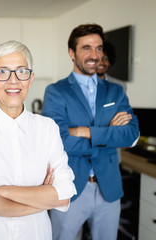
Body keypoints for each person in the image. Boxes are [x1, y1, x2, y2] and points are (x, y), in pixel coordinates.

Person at [0, 40, 76, 240]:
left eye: (21, 71)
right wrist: (42, 197)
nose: (13, 80)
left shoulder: (47, 128)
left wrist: (0, 191)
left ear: (31, 78)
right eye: (2, 72)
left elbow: (64, 194)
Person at [42, 24, 139, 240]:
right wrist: (108, 135)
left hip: (109, 188)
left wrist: (85, 131)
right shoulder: (56, 92)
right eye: (86, 48)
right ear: (72, 53)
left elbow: (131, 134)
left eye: (98, 48)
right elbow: (59, 141)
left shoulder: (115, 91)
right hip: (71, 186)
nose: (94, 55)